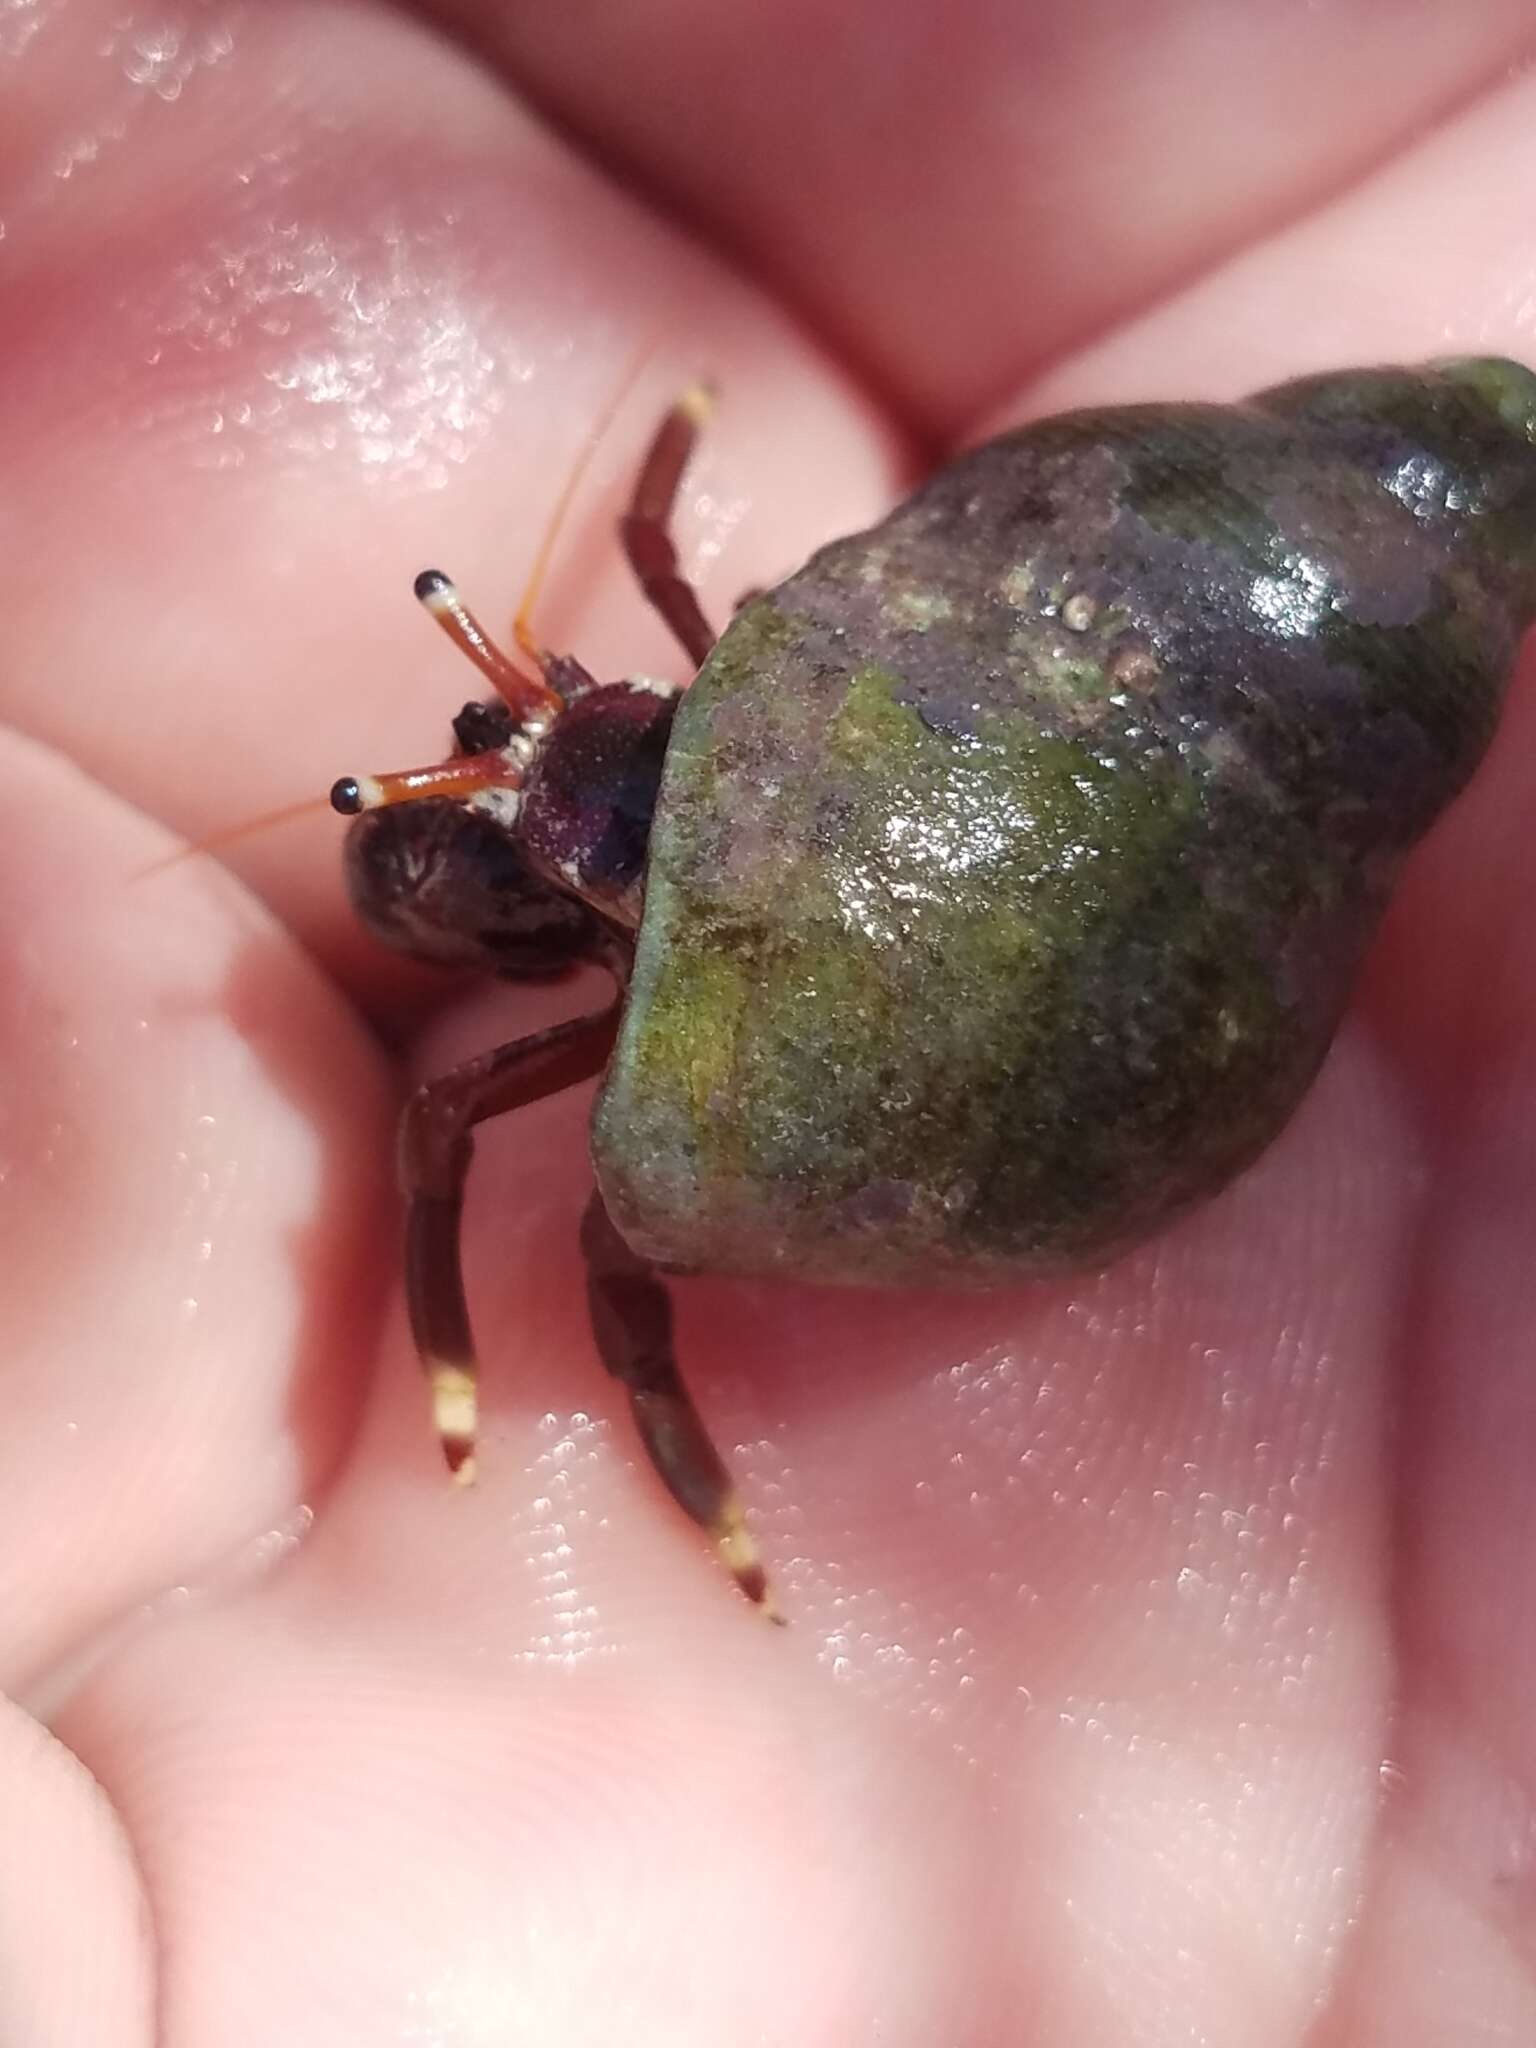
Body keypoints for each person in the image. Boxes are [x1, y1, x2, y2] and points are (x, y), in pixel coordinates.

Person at [3, 2, 1534, 2040]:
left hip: (1100, 733)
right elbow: (627, 637)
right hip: (978, 719)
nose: (503, 756)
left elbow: (641, 594)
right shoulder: (641, 748)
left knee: (493, 1154)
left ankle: (657, 1466)